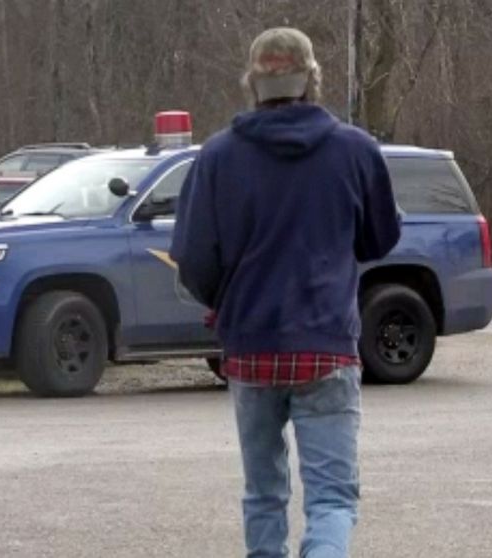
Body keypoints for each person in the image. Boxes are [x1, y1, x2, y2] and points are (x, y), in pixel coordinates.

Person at [171, 27, 400, 558]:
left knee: (264, 494)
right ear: (311, 80)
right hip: (327, 343)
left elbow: (194, 260)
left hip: (251, 346)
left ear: (253, 83)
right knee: (331, 499)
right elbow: (382, 238)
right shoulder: (356, 151)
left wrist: (224, 303)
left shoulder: (217, 158)